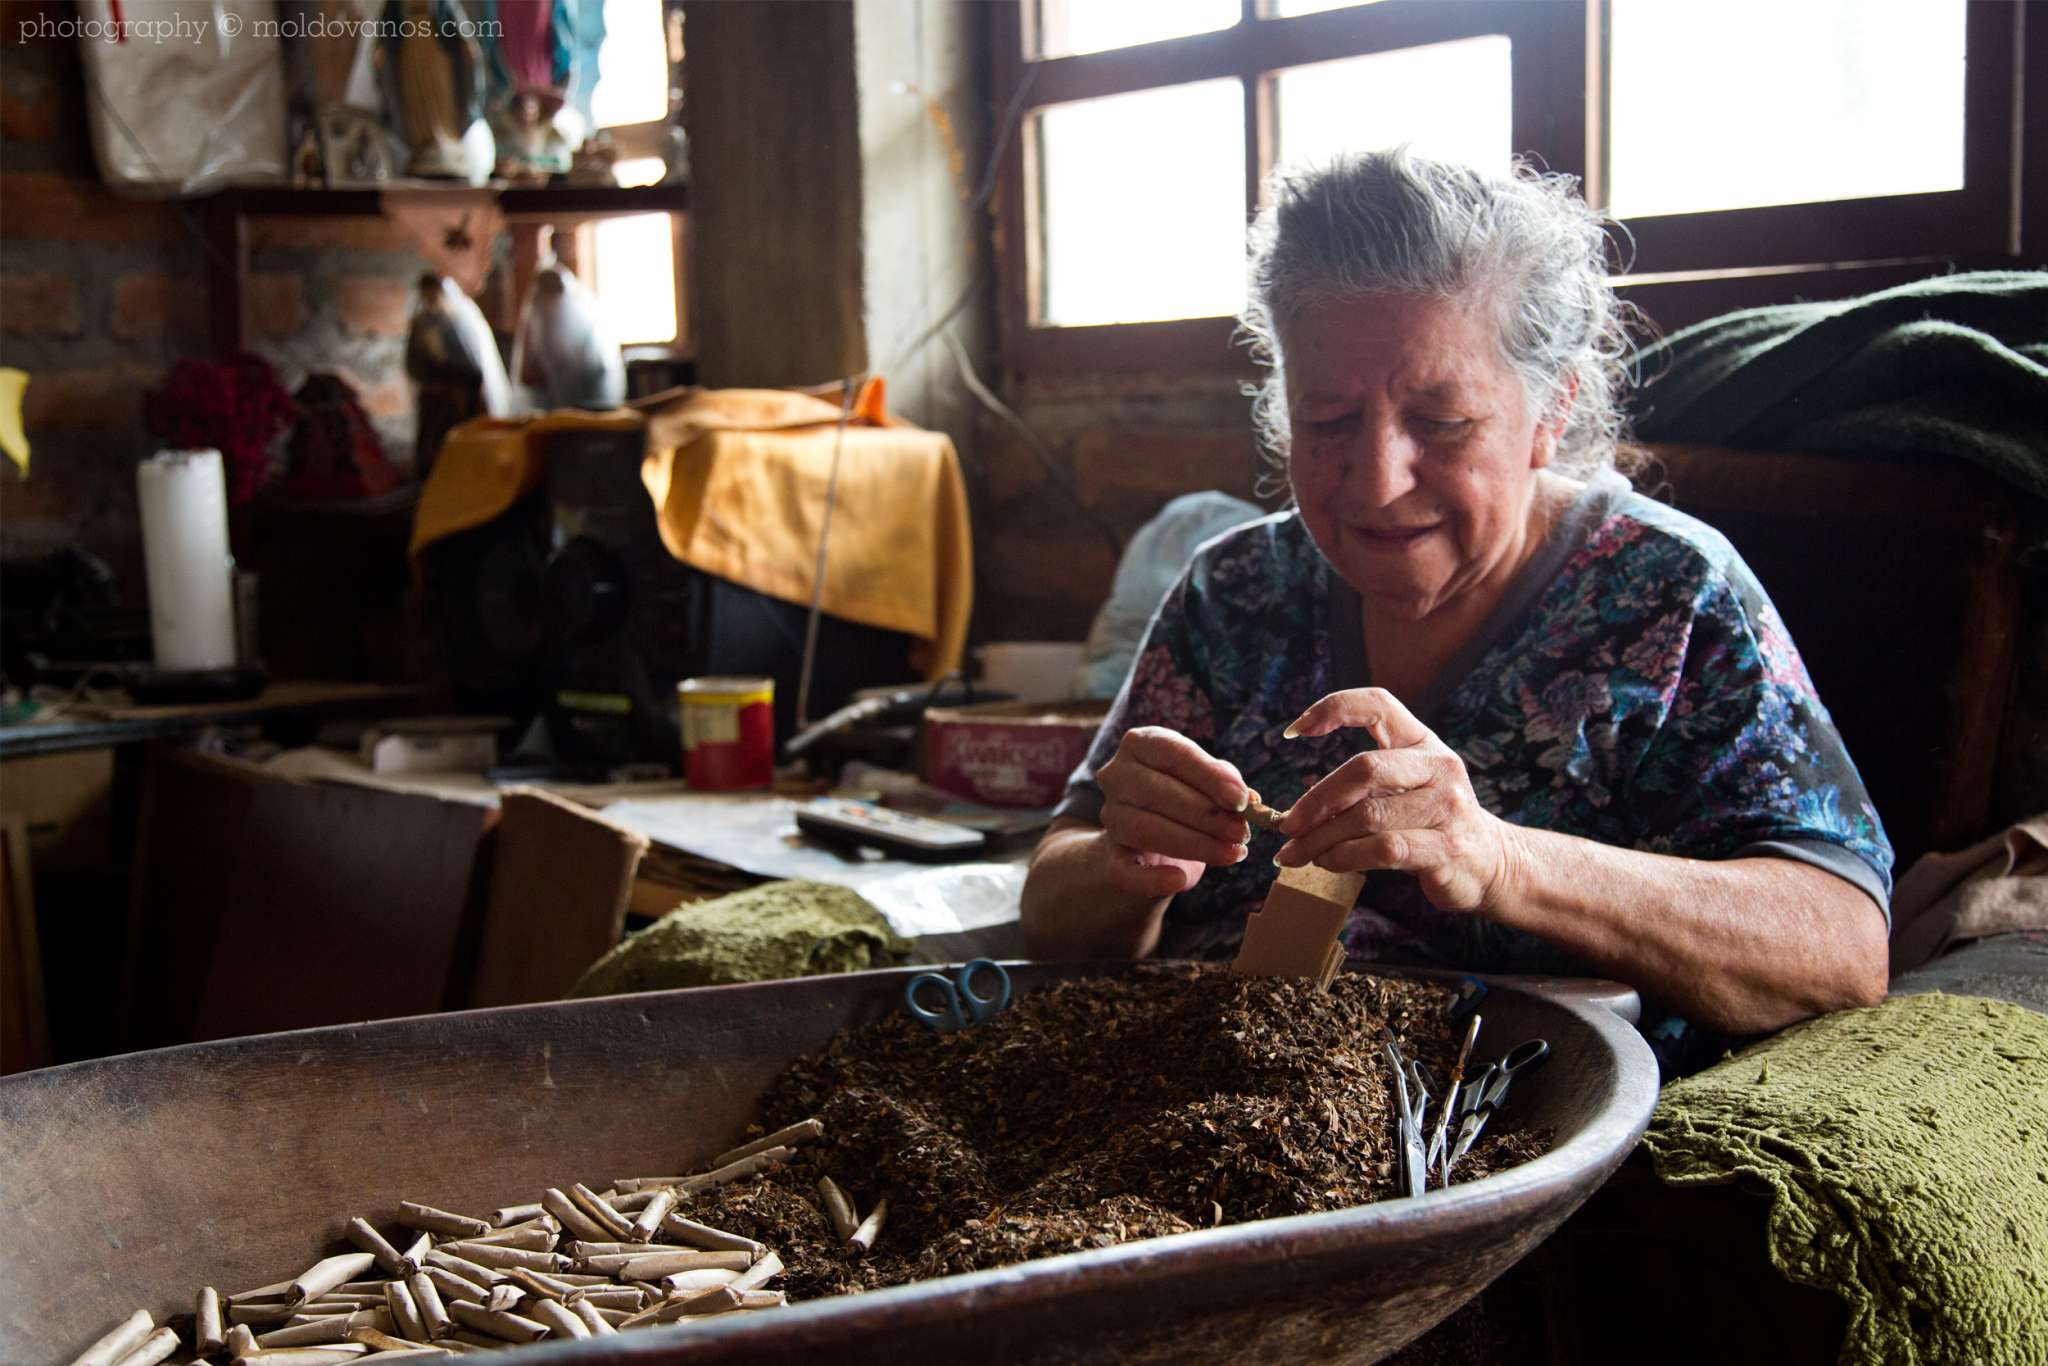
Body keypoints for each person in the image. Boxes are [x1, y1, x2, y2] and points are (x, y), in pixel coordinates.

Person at [1020, 150, 1892, 1070]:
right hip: (1208, 1100)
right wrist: (1124, 866)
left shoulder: (1666, 597)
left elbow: (1839, 947)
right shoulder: (1232, 593)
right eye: (1326, 421)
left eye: (1441, 422)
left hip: (1524, 1127)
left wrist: (1504, 861)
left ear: (1549, 412)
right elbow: (1051, 901)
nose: (1380, 481)